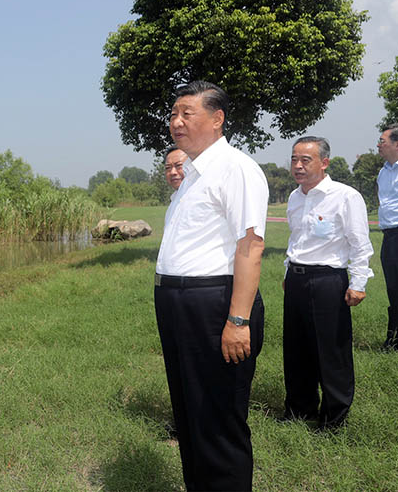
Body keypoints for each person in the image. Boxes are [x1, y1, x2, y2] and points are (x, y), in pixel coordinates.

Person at [155, 81, 267, 492]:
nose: (176, 122)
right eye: (173, 114)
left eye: (187, 113)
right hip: (178, 302)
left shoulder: (235, 168)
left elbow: (251, 246)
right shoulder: (191, 176)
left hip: (215, 302)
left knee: (218, 416)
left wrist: (238, 319)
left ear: (217, 119)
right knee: (190, 411)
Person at [283, 137, 373, 429]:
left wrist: (358, 282)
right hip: (297, 279)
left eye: (305, 160)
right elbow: (296, 239)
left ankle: (334, 418)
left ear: (324, 163)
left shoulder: (345, 196)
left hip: (327, 280)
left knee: (331, 351)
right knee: (297, 349)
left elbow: (359, 243)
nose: (298, 166)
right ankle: (300, 409)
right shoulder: (295, 197)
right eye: (294, 159)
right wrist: (288, 272)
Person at [377, 124, 398, 350]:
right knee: (392, 287)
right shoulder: (384, 172)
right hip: (389, 236)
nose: (378, 145)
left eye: (383, 141)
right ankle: (393, 336)